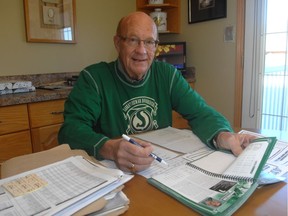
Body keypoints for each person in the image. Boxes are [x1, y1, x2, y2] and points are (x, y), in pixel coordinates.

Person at [58, 11, 255, 173]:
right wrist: (109, 147)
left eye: (149, 42)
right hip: (115, 175)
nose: (142, 50)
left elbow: (200, 111)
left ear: (156, 46)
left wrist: (223, 135)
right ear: (118, 43)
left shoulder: (167, 75)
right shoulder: (93, 78)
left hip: (158, 172)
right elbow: (70, 131)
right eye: (133, 40)